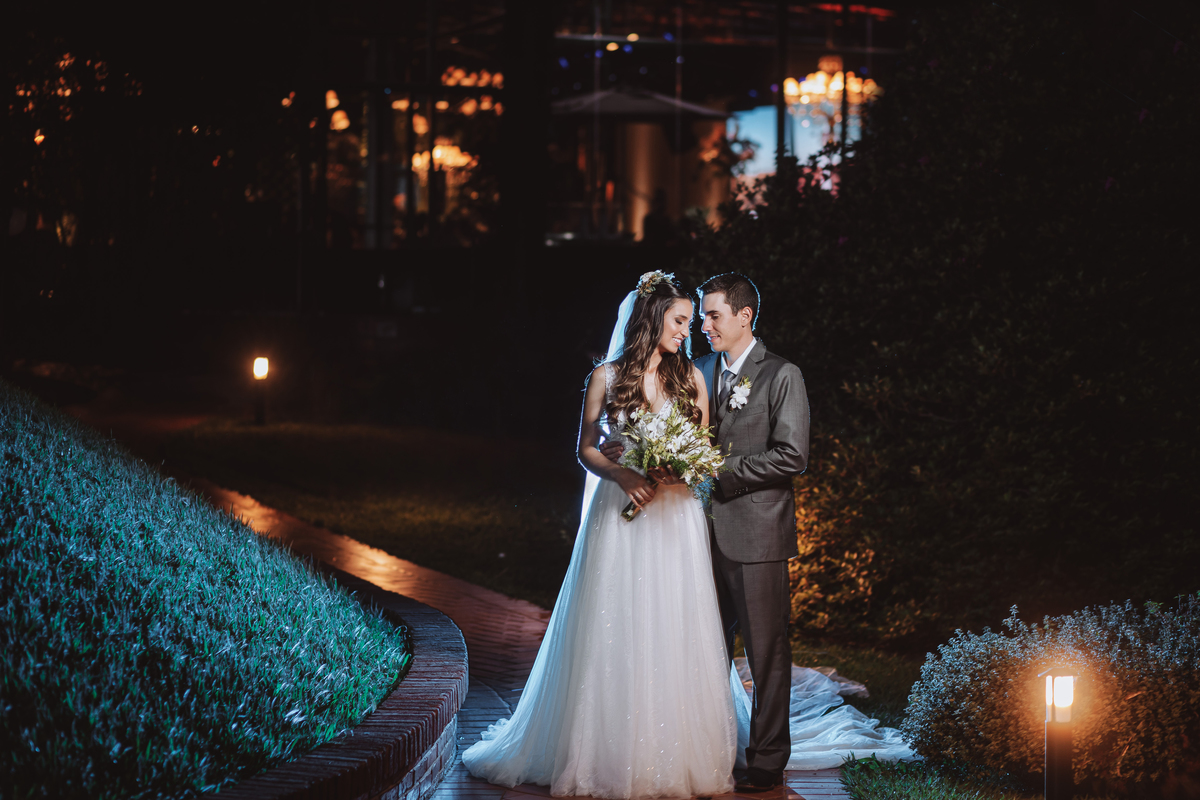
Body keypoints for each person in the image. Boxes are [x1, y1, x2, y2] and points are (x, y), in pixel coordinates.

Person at [462, 271, 737, 799]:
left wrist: (679, 470)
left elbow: (702, 449)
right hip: (621, 511)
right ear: (653, 318)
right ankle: (603, 749)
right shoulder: (607, 378)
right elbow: (587, 448)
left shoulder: (693, 381)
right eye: (680, 320)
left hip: (675, 518)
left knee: (672, 621)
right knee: (618, 619)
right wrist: (626, 473)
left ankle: (673, 752)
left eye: (690, 322)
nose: (688, 331)